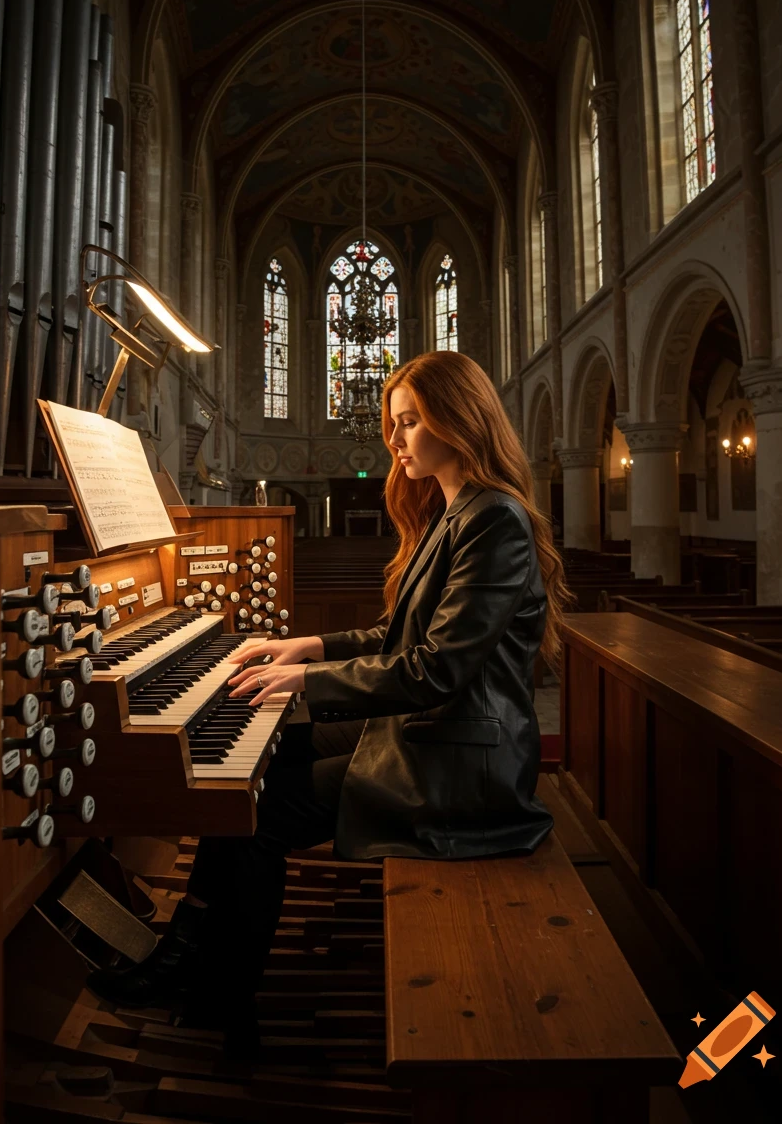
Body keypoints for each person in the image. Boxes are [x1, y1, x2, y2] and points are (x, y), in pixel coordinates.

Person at [88, 350, 571, 1057]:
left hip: (463, 765)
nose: (395, 439)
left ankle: (222, 1001)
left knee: (255, 816)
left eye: (410, 422)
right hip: (434, 734)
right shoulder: (456, 512)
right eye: (394, 423)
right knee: (253, 765)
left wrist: (305, 687)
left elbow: (437, 668)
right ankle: (184, 954)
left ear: (458, 420)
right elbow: (399, 635)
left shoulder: (493, 520)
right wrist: (306, 647)